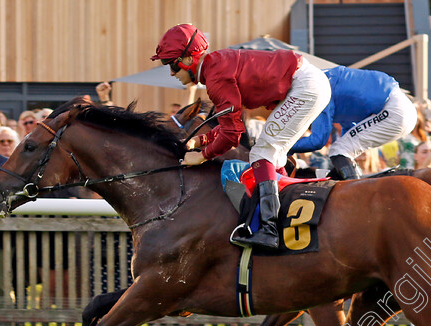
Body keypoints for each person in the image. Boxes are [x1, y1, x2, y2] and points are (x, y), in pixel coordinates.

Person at [153, 23, 331, 249]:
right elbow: (231, 125)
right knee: (272, 155)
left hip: (305, 85)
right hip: (308, 82)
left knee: (262, 152)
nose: (171, 73)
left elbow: (233, 136)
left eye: (171, 65)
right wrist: (200, 140)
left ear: (188, 59)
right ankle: (284, 217)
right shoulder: (215, 67)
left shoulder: (216, 77)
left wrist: (202, 156)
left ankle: (269, 229)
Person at [289, 66, 417, 180]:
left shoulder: (316, 88)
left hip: (393, 109)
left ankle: (356, 192)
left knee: (339, 150)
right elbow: (349, 128)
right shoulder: (322, 79)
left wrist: (282, 147)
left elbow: (317, 141)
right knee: (342, 150)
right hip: (402, 109)